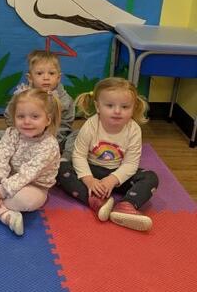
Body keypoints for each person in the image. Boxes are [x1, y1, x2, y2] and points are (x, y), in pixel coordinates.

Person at [56, 77, 158, 232]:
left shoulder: (134, 130)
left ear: (133, 107)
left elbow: (130, 164)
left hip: (118, 175)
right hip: (92, 170)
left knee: (151, 177)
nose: (117, 111)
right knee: (61, 167)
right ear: (98, 107)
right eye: (110, 106)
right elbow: (79, 155)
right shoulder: (91, 125)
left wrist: (112, 180)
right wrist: (89, 180)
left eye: (125, 107)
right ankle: (95, 200)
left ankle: (126, 205)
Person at [0, 89, 60, 236]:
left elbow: (26, 175)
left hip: (34, 186)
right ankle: (3, 213)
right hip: (7, 178)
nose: (26, 121)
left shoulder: (49, 145)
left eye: (35, 116)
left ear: (48, 120)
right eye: (21, 116)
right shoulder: (11, 133)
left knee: (27, 201)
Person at [0, 50, 75, 152]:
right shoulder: (22, 95)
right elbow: (10, 115)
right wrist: (24, 132)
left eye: (51, 73)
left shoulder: (64, 99)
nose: (46, 78)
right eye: (39, 73)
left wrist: (49, 141)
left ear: (58, 77)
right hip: (25, 139)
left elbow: (65, 124)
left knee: (77, 136)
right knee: (1, 135)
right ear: (30, 78)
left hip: (55, 140)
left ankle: (65, 159)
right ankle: (19, 154)